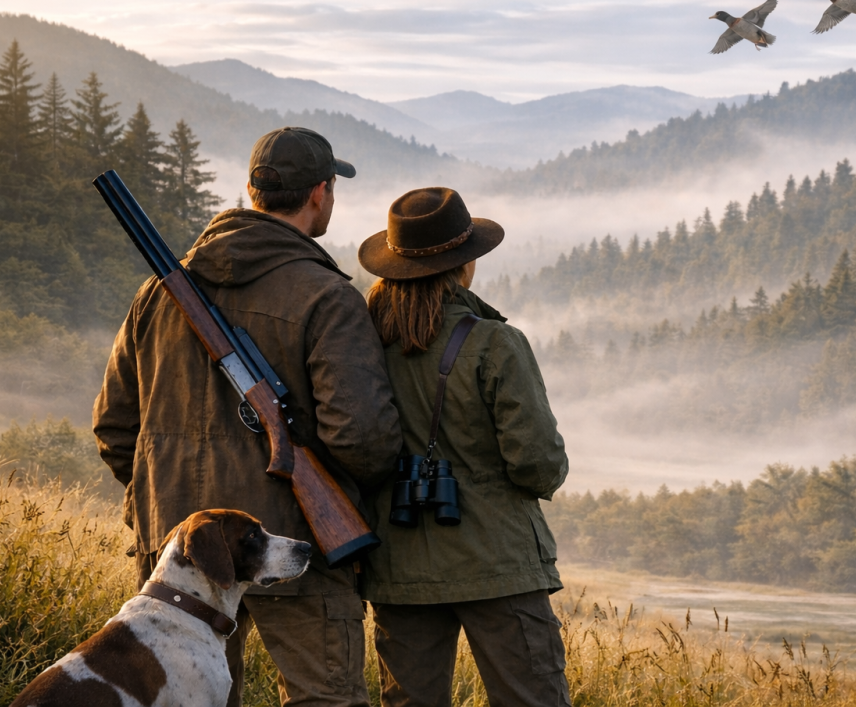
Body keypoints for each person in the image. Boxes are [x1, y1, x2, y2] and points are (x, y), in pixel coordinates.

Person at [93, 126, 404, 707]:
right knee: (325, 699)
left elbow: (115, 427)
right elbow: (363, 437)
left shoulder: (157, 293)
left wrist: (162, 497)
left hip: (180, 557)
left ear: (253, 190)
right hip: (296, 545)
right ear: (320, 192)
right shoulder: (326, 296)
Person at [357, 187, 571, 707]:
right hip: (498, 562)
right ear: (464, 264)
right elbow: (537, 463)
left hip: (399, 564)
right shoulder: (495, 343)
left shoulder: (360, 342)